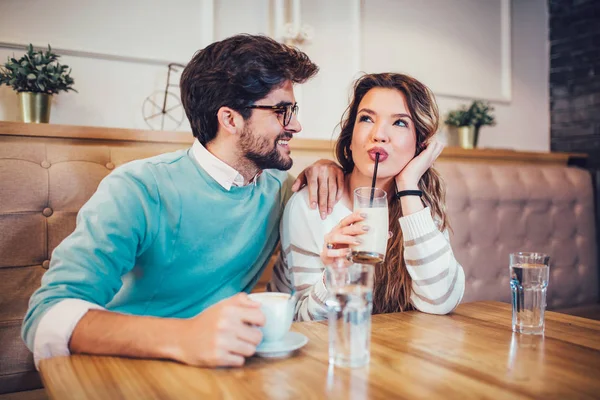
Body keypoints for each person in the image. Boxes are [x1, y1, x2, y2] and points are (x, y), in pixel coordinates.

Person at [22, 34, 344, 368]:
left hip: (225, 368)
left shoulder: (281, 188)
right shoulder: (139, 188)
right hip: (127, 366)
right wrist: (184, 337)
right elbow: (47, 316)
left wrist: (326, 167)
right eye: (281, 111)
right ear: (230, 119)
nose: (296, 124)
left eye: (293, 110)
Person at [270, 73, 465, 321]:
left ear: (419, 146)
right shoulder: (314, 203)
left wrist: (407, 185)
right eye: (366, 119)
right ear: (350, 139)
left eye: (400, 123)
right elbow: (306, 321)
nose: (379, 134)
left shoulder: (418, 204)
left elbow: (439, 301)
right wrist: (335, 271)